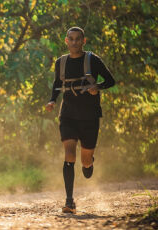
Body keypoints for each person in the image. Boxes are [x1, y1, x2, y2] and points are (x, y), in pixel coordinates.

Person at [45, 27, 115, 214]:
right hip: (68, 115)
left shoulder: (92, 60)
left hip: (90, 117)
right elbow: (57, 84)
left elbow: (110, 80)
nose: (74, 42)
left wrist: (97, 87)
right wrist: (52, 100)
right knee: (69, 154)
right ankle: (69, 201)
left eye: (78, 39)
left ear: (84, 41)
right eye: (71, 39)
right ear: (66, 41)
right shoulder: (60, 62)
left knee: (84, 161)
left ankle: (89, 162)